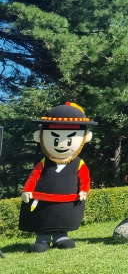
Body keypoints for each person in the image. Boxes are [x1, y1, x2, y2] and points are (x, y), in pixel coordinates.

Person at [19, 103, 97, 252]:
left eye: (69, 140)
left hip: (68, 199)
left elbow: (85, 178)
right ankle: (43, 239)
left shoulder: (78, 163)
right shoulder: (44, 162)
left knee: (63, 217)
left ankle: (61, 237)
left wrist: (84, 190)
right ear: (40, 137)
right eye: (55, 139)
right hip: (42, 199)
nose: (61, 144)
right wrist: (27, 190)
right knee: (44, 217)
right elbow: (33, 177)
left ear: (85, 138)